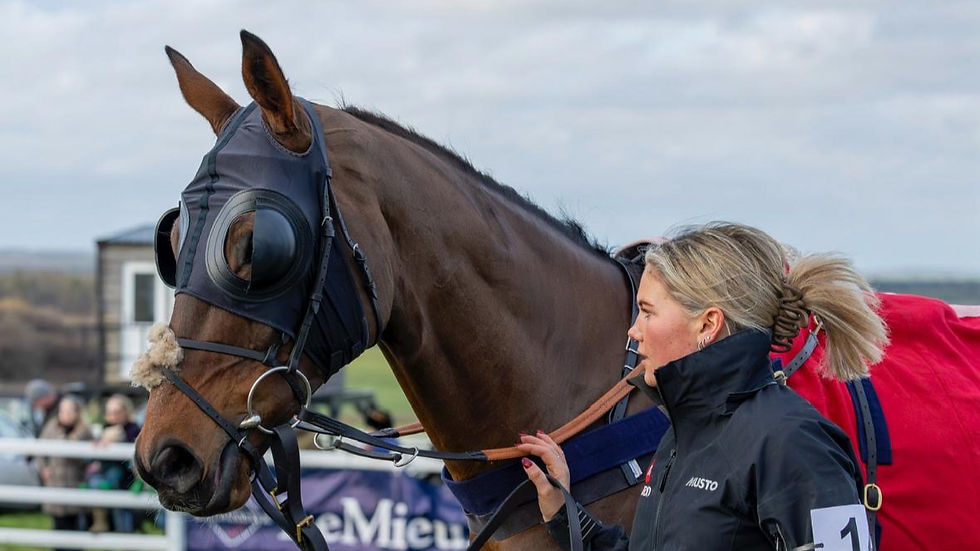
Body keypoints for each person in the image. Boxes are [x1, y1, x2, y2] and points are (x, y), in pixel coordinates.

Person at [516, 222, 888, 551]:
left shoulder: (793, 441)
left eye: (647, 312)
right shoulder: (680, 438)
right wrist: (564, 513)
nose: (634, 332)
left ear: (707, 325)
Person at [38, 395, 94, 543]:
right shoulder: (51, 427)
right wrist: (44, 468)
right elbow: (40, 451)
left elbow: (80, 454)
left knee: (75, 527)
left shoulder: (84, 431)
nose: (65, 414)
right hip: (55, 483)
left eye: (69, 411)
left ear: (77, 413)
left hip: (75, 484)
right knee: (58, 525)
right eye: (62, 410)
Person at [86, 394, 141, 532]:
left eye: (117, 412)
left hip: (126, 480)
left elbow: (133, 451)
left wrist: (115, 441)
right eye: (110, 412)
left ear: (125, 412)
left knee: (123, 515)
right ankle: (101, 523)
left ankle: (128, 536)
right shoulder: (106, 428)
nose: (113, 416)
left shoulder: (134, 429)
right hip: (108, 478)